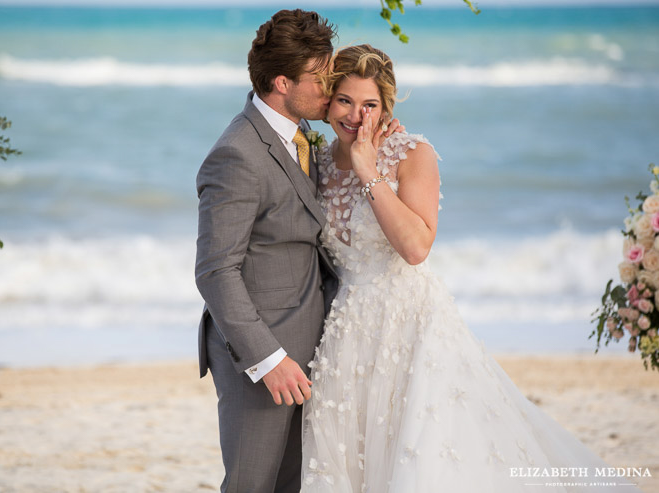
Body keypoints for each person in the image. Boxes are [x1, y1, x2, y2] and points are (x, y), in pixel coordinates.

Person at [300, 44, 643, 492]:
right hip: (346, 333)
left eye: (370, 105)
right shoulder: (317, 163)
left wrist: (369, 173)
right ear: (327, 102)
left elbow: (416, 247)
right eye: (345, 101)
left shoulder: (412, 153)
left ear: (386, 107)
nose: (356, 117)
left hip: (411, 325)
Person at [196, 9, 342, 493]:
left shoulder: (303, 138)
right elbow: (216, 271)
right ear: (282, 82)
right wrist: (268, 360)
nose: (330, 87)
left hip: (310, 349)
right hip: (261, 362)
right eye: (320, 79)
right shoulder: (237, 153)